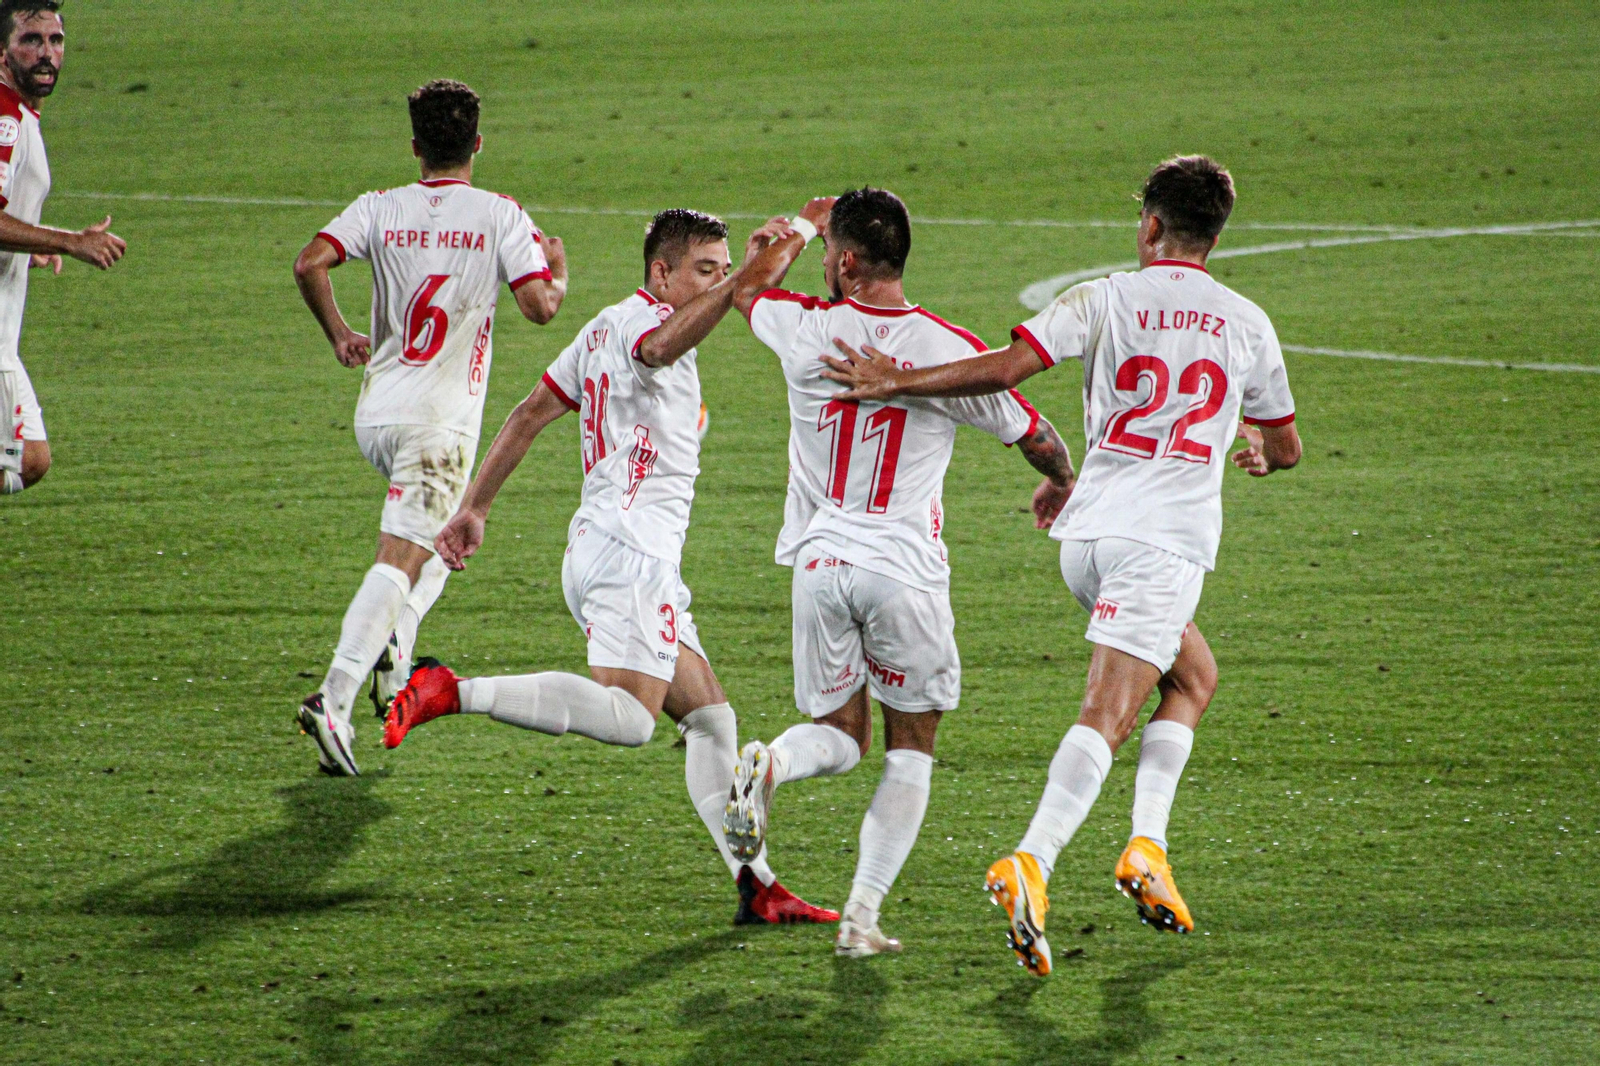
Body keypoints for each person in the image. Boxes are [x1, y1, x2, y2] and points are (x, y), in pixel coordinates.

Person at [822, 156, 1302, 976]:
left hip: (1088, 539)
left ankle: (1147, 848)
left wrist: (901, 379)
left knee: (1192, 678)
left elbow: (1006, 370)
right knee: (1109, 715)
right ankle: (1031, 860)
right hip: (1162, 544)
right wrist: (1255, 452)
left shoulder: (1104, 295)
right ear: (1215, 235)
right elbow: (1286, 445)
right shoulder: (1247, 322)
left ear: (1150, 226)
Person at [384, 209, 838, 926]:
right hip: (630, 554)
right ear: (661, 273)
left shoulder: (600, 326)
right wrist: (786, 248)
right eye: (704, 270)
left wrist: (475, 507)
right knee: (631, 720)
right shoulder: (637, 328)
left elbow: (531, 412)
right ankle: (449, 688)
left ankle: (757, 886)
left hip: (616, 550)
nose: (718, 283)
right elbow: (658, 347)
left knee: (713, 721)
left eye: (723, 269)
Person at [722, 188, 1078, 957]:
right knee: (909, 748)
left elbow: (744, 288)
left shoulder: (804, 326)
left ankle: (771, 763)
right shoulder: (946, 346)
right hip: (904, 570)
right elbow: (1036, 434)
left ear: (846, 261)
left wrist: (796, 225)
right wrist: (1062, 480)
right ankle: (861, 917)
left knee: (838, 738)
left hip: (818, 563)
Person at [291, 78, 566, 775]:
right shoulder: (501, 214)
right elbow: (538, 308)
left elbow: (310, 262)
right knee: (404, 554)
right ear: (478, 141)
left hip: (378, 411)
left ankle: (396, 646)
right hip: (437, 425)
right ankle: (336, 695)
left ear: (415, 146)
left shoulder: (379, 207)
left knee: (444, 535)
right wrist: (557, 274)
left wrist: (339, 333)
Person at [0, 0, 127, 496]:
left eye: (55, 40)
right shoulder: (6, 122)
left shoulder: (20, 115)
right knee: (24, 458)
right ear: (3, 51)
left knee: (26, 457)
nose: (46, 53)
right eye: (30, 41)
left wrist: (31, 243)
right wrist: (69, 242)